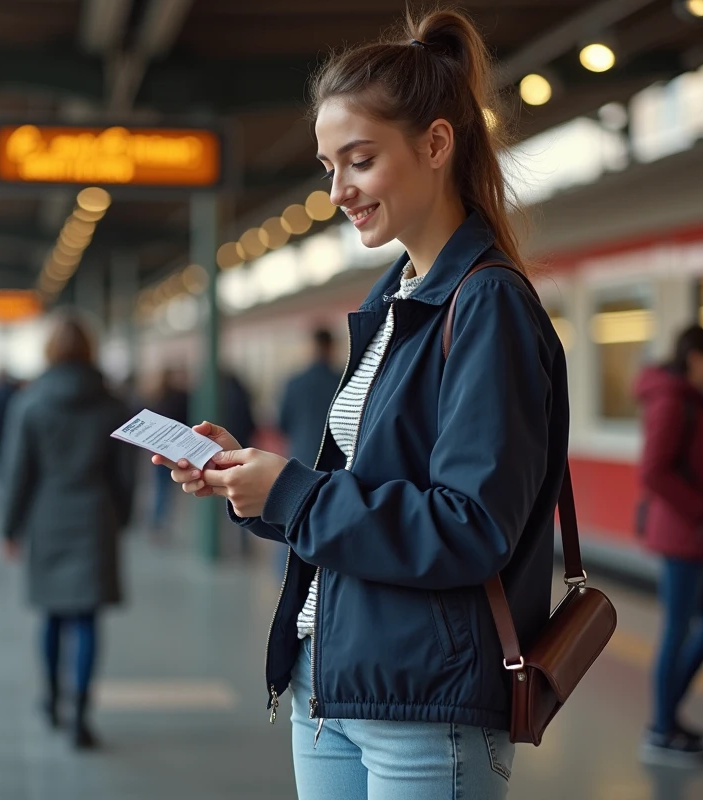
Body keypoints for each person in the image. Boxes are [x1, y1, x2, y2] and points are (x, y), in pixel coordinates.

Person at [157, 11, 569, 797]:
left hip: (425, 704)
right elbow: (369, 488)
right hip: (333, 683)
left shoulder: (486, 308)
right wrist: (249, 481)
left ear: (437, 145)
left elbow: (471, 527)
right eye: (328, 165)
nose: (338, 190)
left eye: (360, 161)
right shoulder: (394, 301)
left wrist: (294, 490)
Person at [0, 313, 135, 751]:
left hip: (48, 514)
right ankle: (80, 714)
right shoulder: (112, 405)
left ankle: (51, 700)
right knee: (88, 617)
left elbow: (17, 471)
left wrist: (10, 526)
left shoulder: (31, 403)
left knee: (53, 613)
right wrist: (122, 516)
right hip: (95, 515)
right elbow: (126, 473)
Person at [634, 324, 703, 767]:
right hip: (684, 539)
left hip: (695, 540)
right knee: (680, 629)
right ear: (695, 357)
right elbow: (653, 470)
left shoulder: (693, 402)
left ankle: (668, 716)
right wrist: (698, 511)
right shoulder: (674, 402)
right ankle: (661, 728)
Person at [272, 329, 342, 574]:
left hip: (299, 457)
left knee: (291, 517)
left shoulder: (294, 382)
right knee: (328, 517)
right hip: (337, 463)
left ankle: (285, 576)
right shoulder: (342, 379)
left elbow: (282, 423)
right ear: (331, 346)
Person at [149, 367, 189, 538]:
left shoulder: (157, 396)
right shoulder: (181, 396)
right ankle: (160, 522)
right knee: (165, 488)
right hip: (176, 448)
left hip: (160, 448)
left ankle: (157, 522)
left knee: (161, 487)